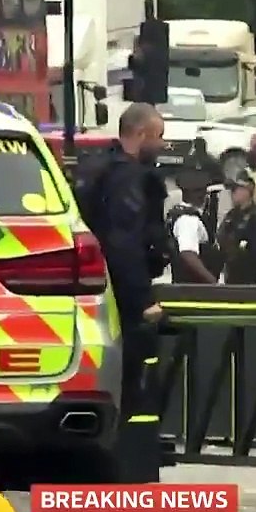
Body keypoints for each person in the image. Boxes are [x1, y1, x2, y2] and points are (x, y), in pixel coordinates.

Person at [71, 102, 167, 479]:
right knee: (134, 385)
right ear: (140, 134)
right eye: (159, 136)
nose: (162, 144)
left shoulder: (96, 169)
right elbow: (125, 243)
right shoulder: (129, 179)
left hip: (93, 294)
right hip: (124, 300)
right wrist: (143, 301)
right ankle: (132, 469)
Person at [165, 168, 220, 284]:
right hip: (193, 288)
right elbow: (188, 254)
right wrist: (212, 282)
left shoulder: (179, 213)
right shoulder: (189, 220)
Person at [218, 176, 256, 285]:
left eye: (236, 190)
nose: (232, 193)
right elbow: (221, 237)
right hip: (231, 275)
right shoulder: (231, 215)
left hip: (250, 278)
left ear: (247, 191)